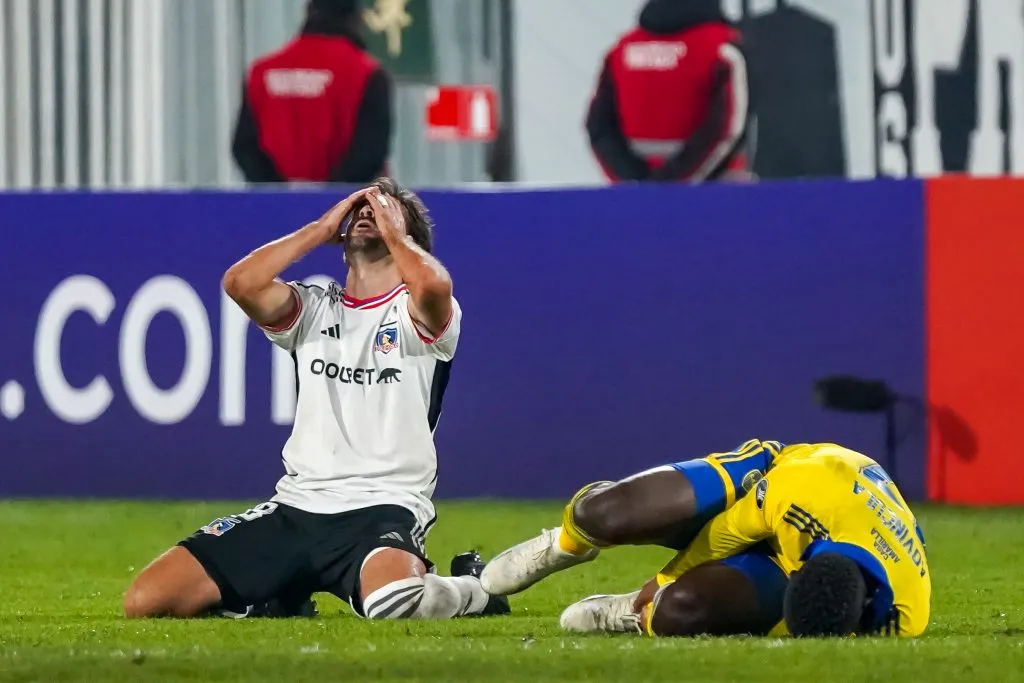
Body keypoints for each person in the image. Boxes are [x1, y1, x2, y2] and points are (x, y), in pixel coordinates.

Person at [124, 177, 509, 622]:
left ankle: (472, 590)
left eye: (385, 208)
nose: (369, 211)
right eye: (361, 209)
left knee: (393, 603)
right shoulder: (313, 310)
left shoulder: (414, 312)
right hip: (297, 507)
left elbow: (435, 286)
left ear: (409, 238)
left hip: (382, 508)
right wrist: (319, 230)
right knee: (147, 600)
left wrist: (397, 236)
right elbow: (240, 282)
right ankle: (276, 598)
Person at [482, 441, 931, 638]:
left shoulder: (910, 611)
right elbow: (728, 531)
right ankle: (565, 543)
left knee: (679, 614)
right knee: (607, 512)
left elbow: (813, 629)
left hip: (801, 555)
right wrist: (662, 579)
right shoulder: (803, 493)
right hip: (766, 483)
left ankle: (636, 617)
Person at [586, 0, 754, 183]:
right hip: (715, 193)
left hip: (639, 195)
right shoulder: (723, 49)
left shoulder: (622, 50)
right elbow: (726, 128)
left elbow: (599, 126)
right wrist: (672, 182)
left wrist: (632, 180)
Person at [232, 0, 392, 184]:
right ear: (357, 18)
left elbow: (244, 147)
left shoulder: (262, 73)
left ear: (308, 12)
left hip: (274, 208)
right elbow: (369, 154)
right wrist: (329, 199)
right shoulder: (366, 74)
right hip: (344, 208)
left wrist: (278, 192)